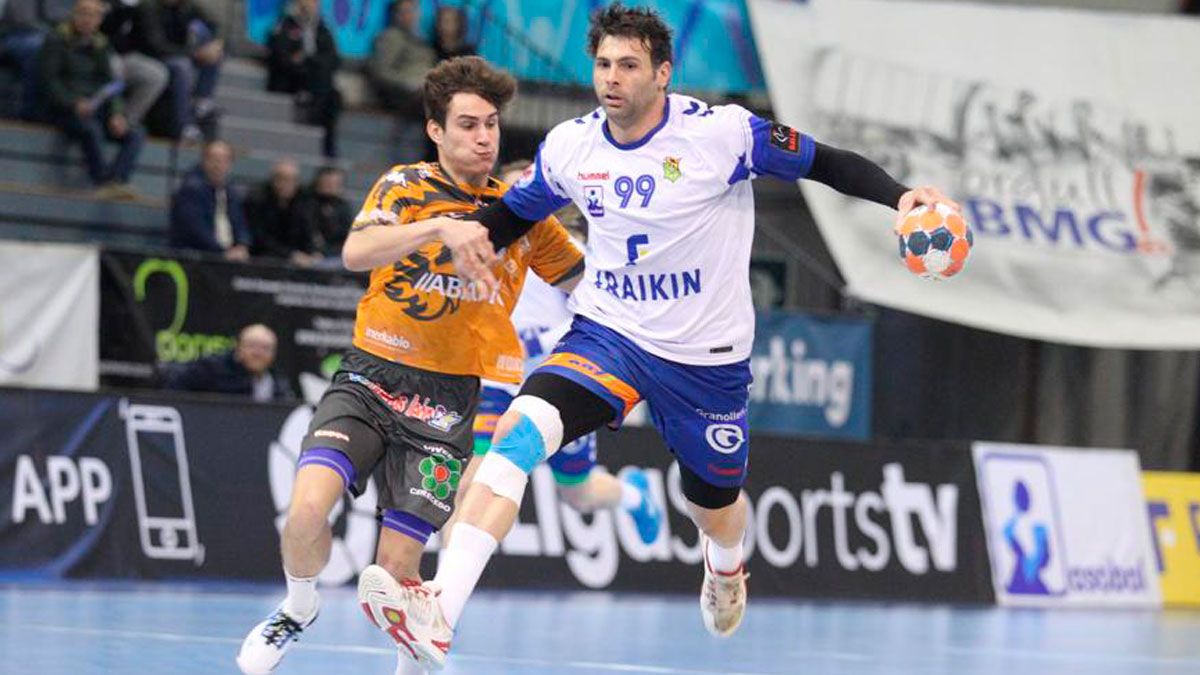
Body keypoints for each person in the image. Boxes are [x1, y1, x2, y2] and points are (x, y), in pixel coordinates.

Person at [364, 5, 960, 671]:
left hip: (706, 360)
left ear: (663, 74)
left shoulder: (724, 135)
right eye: (602, 64)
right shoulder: (572, 147)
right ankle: (442, 608)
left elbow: (826, 161)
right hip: (609, 334)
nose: (610, 78)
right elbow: (512, 215)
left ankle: (727, 566)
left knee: (713, 503)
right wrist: (456, 245)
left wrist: (903, 197)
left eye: (627, 65)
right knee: (518, 436)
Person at [235, 55, 586, 675]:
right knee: (307, 509)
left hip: (447, 402)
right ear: (436, 131)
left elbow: (584, 277)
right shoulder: (404, 187)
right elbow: (355, 250)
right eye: (469, 125)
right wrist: (442, 230)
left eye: (492, 126)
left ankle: (418, 665)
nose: (484, 138)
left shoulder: (522, 213)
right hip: (372, 376)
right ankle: (297, 608)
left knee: (398, 578)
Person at [441, 159, 662, 553]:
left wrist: (537, 341)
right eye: (504, 195)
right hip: (497, 381)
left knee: (577, 493)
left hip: (557, 381)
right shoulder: (484, 246)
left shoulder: (567, 250)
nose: (509, 202)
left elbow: (599, 313)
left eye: (519, 193)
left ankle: (632, 495)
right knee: (473, 481)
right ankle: (442, 591)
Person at [37, 0, 145, 199]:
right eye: (84, 13)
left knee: (135, 133)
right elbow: (49, 82)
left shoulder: (101, 44)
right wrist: (73, 103)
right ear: (74, 14)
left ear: (100, 20)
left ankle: (118, 180)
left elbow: (110, 84)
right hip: (64, 109)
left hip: (95, 107)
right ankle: (102, 182)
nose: (88, 19)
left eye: (94, 15)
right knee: (90, 129)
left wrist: (116, 113)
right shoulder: (55, 40)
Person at [266, 0, 342, 157]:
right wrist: (308, 61)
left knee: (334, 96)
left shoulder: (322, 29)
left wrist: (308, 59)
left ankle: (327, 147)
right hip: (289, 79)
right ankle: (313, 121)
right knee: (322, 82)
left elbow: (334, 59)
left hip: (316, 79)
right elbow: (282, 57)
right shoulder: (285, 24)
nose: (310, 5)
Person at [140, 0, 222, 140]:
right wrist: (195, 54)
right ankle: (185, 125)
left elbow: (213, 24)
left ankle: (202, 99)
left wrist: (216, 43)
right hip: (150, 56)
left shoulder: (188, 7)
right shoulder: (149, 8)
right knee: (182, 66)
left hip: (180, 53)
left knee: (210, 43)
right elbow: (156, 46)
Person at [368, 0, 436, 161]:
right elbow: (381, 72)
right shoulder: (390, 38)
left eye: (413, 11)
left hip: (424, 89)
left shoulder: (422, 41)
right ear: (396, 15)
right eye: (405, 11)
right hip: (400, 93)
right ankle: (431, 159)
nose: (411, 15)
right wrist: (408, 84)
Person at [161, 324, 294, 402]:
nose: (258, 353)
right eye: (252, 346)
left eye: (266, 348)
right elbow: (173, 393)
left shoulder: (278, 383)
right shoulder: (211, 369)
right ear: (238, 347)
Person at [169, 140, 251, 259]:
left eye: (224, 161)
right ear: (204, 161)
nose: (218, 165)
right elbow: (196, 231)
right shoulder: (191, 190)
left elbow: (240, 223)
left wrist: (242, 244)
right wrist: (222, 252)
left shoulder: (231, 192)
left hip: (227, 255)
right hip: (197, 255)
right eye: (214, 160)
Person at [100, 0, 169, 128]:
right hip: (100, 52)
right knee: (115, 68)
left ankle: (127, 121)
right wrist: (121, 9)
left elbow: (148, 40)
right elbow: (104, 30)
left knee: (157, 74)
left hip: (126, 55)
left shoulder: (144, 5)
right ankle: (114, 116)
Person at [245, 158, 305, 263]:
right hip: (262, 256)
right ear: (274, 180)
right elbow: (260, 239)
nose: (288, 184)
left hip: (292, 257)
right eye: (284, 179)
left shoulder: (301, 201)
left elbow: (305, 233)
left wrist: (313, 252)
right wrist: (290, 254)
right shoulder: (257, 200)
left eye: (293, 180)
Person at [292, 165, 354, 265]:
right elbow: (304, 232)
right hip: (304, 253)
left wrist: (324, 253)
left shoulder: (343, 207)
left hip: (332, 255)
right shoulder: (304, 203)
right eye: (327, 182)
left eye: (334, 184)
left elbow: (347, 239)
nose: (329, 186)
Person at [0, 0, 48, 120]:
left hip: (23, 32)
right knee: (34, 47)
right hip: (8, 35)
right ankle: (30, 109)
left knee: (49, 44)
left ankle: (43, 109)